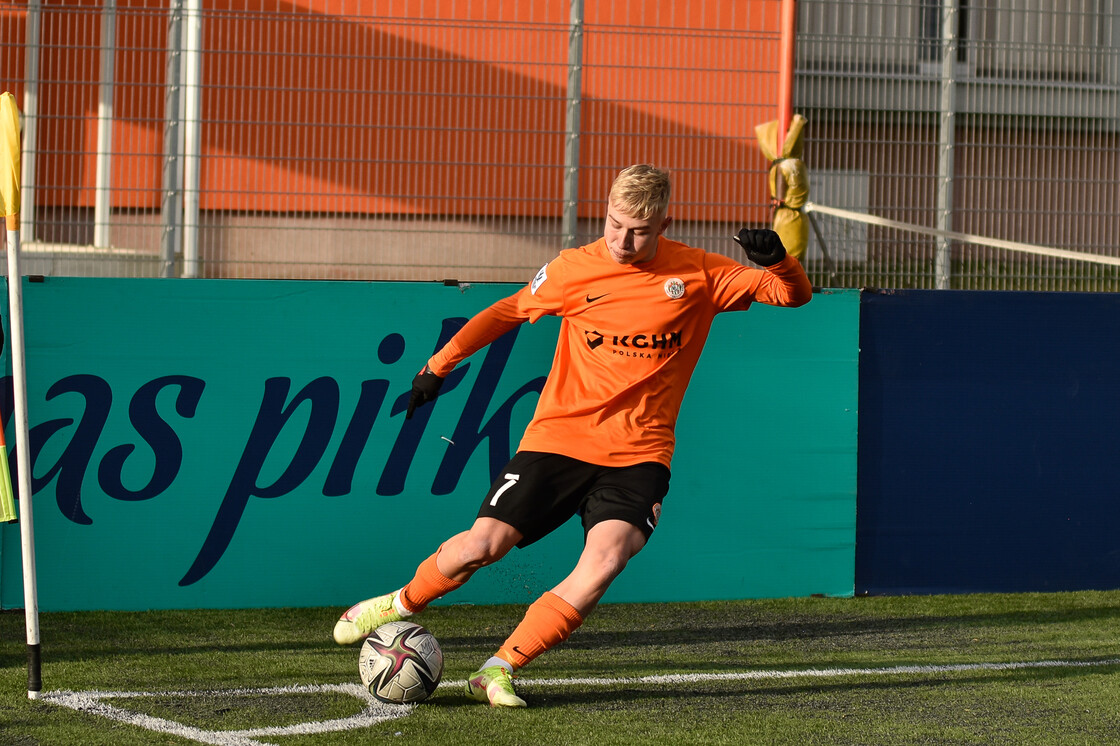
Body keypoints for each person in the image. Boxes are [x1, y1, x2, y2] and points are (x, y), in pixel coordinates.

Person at [333, 164, 813, 707]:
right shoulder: (572, 269)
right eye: (613, 224)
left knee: (606, 560)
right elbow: (505, 312)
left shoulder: (699, 273)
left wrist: (778, 260)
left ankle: (499, 668)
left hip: (640, 453)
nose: (622, 241)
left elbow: (792, 295)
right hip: (558, 441)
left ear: (663, 225)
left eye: (638, 231)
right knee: (481, 547)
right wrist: (438, 366)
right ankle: (398, 603)